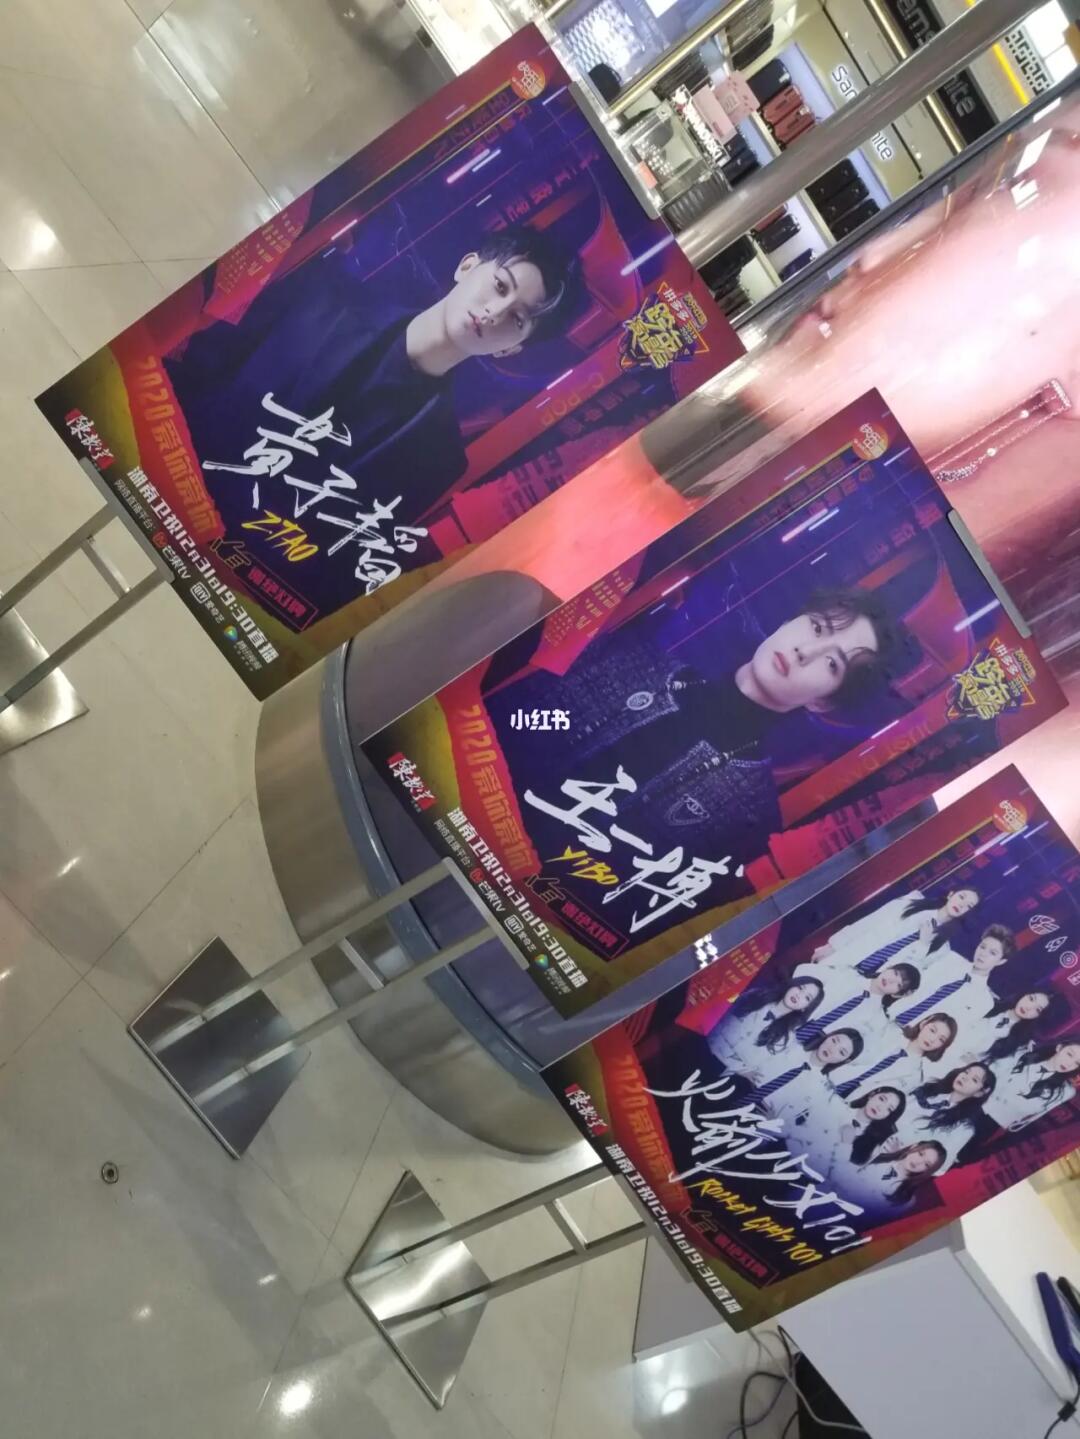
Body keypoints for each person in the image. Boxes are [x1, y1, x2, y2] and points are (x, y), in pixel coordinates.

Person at [164, 222, 574, 605]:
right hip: (161, 478)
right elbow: (198, 366)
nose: (494, 312)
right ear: (467, 267)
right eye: (500, 286)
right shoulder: (322, 297)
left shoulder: (439, 459)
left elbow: (331, 557)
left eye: (517, 319)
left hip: (228, 580)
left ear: (510, 349)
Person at [811, 888, 981, 976]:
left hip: (869, 980)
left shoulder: (942, 948)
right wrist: (833, 945)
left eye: (969, 906)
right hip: (848, 954)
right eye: (962, 897)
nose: (962, 904)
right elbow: (870, 921)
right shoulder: (912, 902)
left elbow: (911, 973)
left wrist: (923, 945)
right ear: (951, 894)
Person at [889, 923, 1014, 1030]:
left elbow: (955, 1030)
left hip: (913, 1037)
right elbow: (916, 980)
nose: (983, 954)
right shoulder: (950, 959)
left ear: (1001, 961)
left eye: (992, 953)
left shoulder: (984, 1001)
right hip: (890, 1013)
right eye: (983, 947)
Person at [790, 958, 920, 1051]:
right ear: (888, 967)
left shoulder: (876, 1019)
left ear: (897, 994)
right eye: (895, 973)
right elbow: (802, 970)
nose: (891, 980)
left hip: (807, 1050)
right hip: (789, 1019)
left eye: (898, 985)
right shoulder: (846, 974)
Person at [707, 976, 826, 1074]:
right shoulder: (756, 995)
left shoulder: (786, 1038)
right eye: (800, 988)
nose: (799, 995)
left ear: (805, 1008)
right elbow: (718, 1020)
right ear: (792, 985)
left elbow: (751, 1063)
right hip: (704, 1042)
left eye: (807, 997)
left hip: (721, 1070)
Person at [834, 1012, 959, 1101]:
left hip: (850, 1102)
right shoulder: (889, 1031)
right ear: (924, 1023)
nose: (932, 1039)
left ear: (942, 1046)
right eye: (932, 1030)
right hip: (835, 1074)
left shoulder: (915, 1077)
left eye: (941, 1040)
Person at [987, 1037, 1080, 1131]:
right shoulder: (1024, 1055)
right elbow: (991, 1075)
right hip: (982, 1101)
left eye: (1077, 1063)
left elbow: (1030, 1115)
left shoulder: (1065, 1092)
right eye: (1069, 1054)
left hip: (996, 1122)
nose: (1069, 1064)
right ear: (1059, 1048)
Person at [973, 990, 1069, 1068]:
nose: (1028, 1007)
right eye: (1031, 999)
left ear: (1040, 1016)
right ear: (1025, 993)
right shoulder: (989, 1003)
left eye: (1037, 1009)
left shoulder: (1020, 1043)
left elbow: (996, 1067)